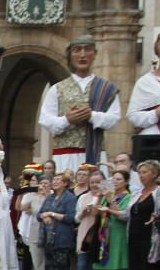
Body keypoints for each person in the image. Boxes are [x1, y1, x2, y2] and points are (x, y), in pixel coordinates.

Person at [38, 34, 121, 173]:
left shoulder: (106, 88)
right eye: (77, 50)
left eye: (87, 49)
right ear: (70, 55)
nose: (82, 55)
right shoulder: (57, 89)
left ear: (94, 54)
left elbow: (113, 119)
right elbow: (45, 120)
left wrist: (91, 116)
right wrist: (67, 120)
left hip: (95, 152)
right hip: (64, 154)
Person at [122, 160, 160, 270]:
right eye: (140, 172)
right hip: (134, 235)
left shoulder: (159, 192)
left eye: (145, 172)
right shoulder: (137, 193)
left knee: (148, 269)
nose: (141, 175)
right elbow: (126, 214)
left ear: (154, 174)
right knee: (135, 268)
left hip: (150, 236)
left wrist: (157, 217)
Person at [36, 173, 78, 270]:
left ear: (65, 183)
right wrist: (44, 216)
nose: (55, 181)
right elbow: (39, 214)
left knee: (62, 266)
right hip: (48, 236)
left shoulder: (70, 198)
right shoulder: (50, 197)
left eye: (59, 180)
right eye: (54, 179)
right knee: (49, 266)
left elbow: (71, 218)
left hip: (62, 236)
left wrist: (52, 214)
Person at [93, 170, 131, 270]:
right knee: (102, 266)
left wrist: (110, 200)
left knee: (116, 267)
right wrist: (98, 197)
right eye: (114, 179)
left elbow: (122, 214)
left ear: (126, 182)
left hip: (117, 233)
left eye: (119, 179)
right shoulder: (107, 194)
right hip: (104, 233)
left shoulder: (127, 196)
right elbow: (96, 212)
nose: (115, 182)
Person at [128, 29, 160, 136]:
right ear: (156, 48)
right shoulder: (144, 82)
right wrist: (156, 114)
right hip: (151, 144)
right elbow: (133, 117)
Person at [71, 170, 107, 270]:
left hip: (100, 235)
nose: (94, 185)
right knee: (81, 267)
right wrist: (83, 213)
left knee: (97, 268)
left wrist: (98, 198)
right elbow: (76, 218)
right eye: (92, 182)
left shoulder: (106, 197)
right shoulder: (83, 197)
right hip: (85, 234)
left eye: (98, 182)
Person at [18, 176, 50, 270]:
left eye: (46, 183)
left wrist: (46, 195)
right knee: (37, 262)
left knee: (49, 261)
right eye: (41, 183)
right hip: (35, 231)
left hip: (49, 232)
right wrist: (27, 192)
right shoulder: (32, 196)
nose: (43, 186)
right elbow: (22, 207)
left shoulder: (52, 197)